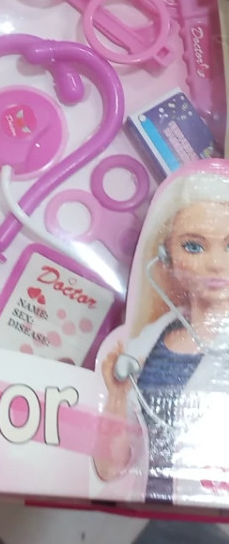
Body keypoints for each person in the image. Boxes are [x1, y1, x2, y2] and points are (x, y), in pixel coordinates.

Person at [94, 160, 229, 503]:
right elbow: (110, 468)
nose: (216, 263)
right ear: (165, 257)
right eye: (194, 246)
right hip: (149, 509)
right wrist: (117, 397)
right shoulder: (144, 346)